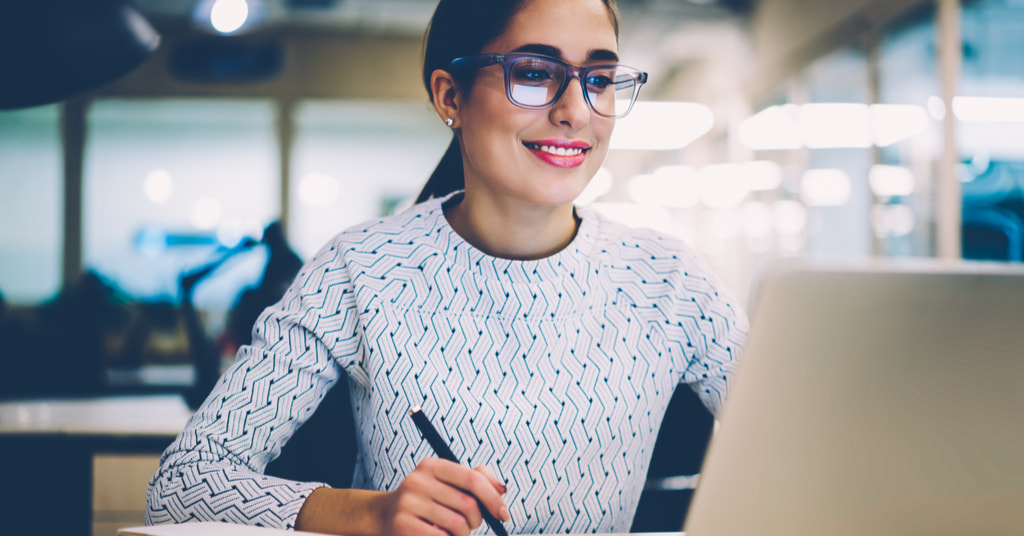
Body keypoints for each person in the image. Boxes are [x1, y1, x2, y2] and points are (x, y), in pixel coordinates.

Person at [146, 0, 748, 534]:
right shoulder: (361, 269)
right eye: (535, 73)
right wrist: (368, 515)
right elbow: (181, 485)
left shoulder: (668, 281)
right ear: (449, 96)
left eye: (599, 78)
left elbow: (816, 453)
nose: (575, 109)